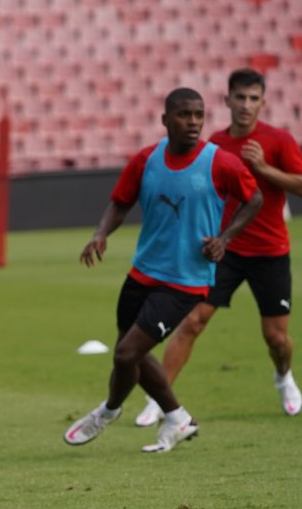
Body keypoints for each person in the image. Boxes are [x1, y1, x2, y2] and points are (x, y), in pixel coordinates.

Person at [65, 87, 262, 453]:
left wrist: (226, 237)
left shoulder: (220, 162)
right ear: (165, 120)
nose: (193, 122)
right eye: (185, 115)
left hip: (186, 280)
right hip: (142, 272)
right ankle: (177, 417)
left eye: (199, 115)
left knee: (126, 354)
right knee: (131, 350)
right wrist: (101, 233)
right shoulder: (147, 160)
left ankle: (107, 412)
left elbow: (255, 199)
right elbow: (120, 202)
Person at [134, 69, 302, 426]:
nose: (246, 105)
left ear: (263, 102)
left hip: (270, 252)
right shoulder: (213, 144)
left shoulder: (278, 141)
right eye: (240, 97)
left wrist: (263, 167)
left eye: (253, 98)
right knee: (192, 322)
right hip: (224, 251)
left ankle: (283, 377)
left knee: (276, 337)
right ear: (227, 99)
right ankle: (161, 399)